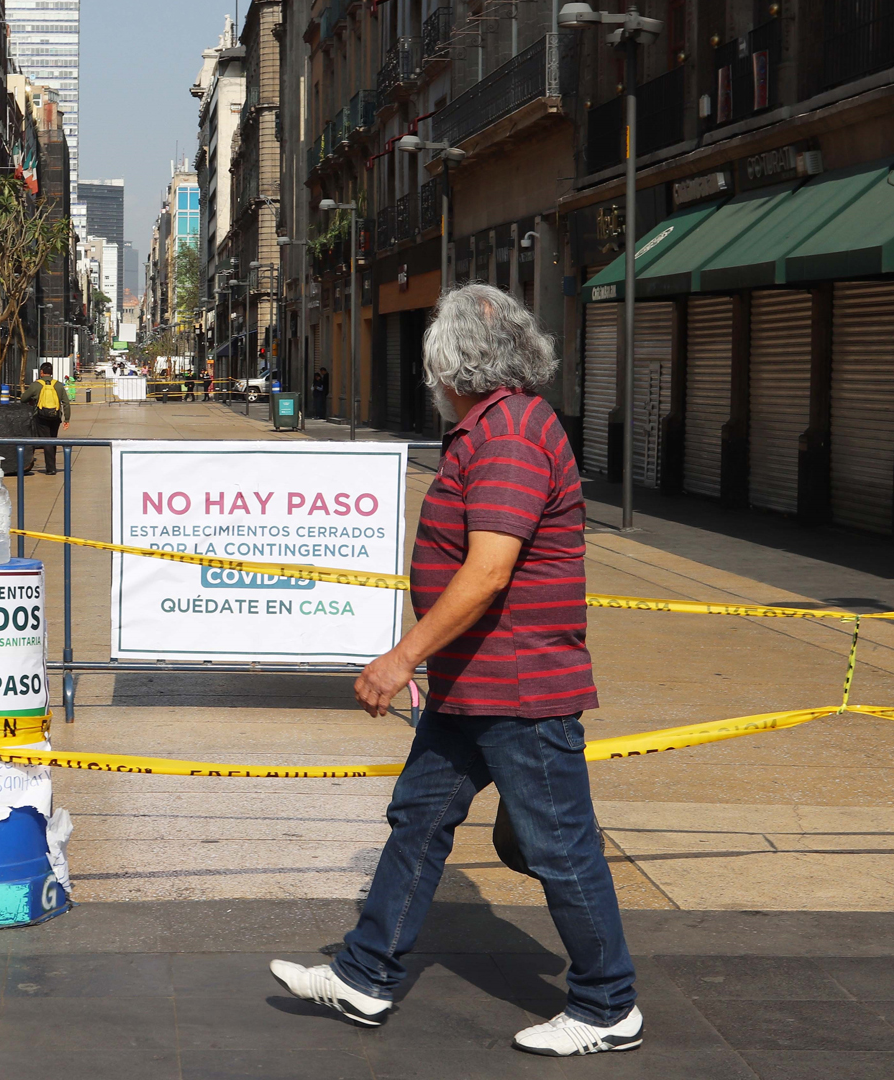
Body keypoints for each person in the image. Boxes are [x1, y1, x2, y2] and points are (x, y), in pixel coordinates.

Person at [271, 284, 639, 1057]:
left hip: (519, 685)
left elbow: (489, 572)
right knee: (419, 819)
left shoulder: (509, 437)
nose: (430, 380)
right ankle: (366, 975)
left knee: (559, 845)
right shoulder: (493, 428)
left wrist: (401, 657)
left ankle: (608, 1005)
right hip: (474, 682)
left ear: (457, 366)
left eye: (434, 365)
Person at [30, 361, 69, 474]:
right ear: (51, 372)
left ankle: (51, 468)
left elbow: (23, 398)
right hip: (55, 417)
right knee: (53, 439)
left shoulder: (36, 385)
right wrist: (66, 419)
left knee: (46, 440)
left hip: (41, 417)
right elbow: (66, 403)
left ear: (41, 372)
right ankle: (52, 465)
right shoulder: (58, 385)